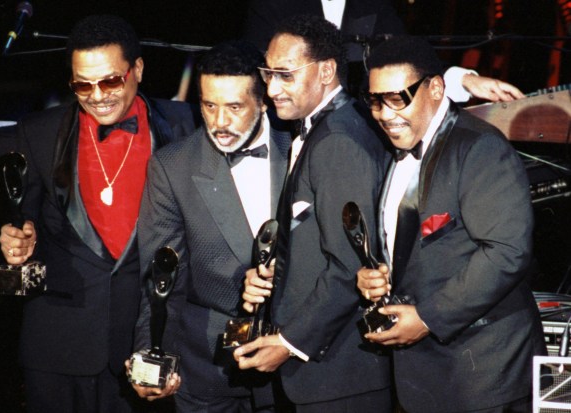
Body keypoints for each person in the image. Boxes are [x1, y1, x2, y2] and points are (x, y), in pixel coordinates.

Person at [0, 14, 198, 413]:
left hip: (145, 346)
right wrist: (13, 245)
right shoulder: (37, 132)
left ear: (137, 70)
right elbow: (14, 224)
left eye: (110, 81)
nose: (97, 95)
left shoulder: (187, 125)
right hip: (57, 346)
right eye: (82, 84)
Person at [357, 36, 547, 412]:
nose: (384, 113)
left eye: (398, 98)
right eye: (376, 100)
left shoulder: (480, 147)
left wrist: (428, 317)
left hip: (484, 377)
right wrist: (376, 274)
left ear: (436, 89)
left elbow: (507, 252)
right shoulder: (395, 151)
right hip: (425, 377)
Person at [234, 15, 391, 412]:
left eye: (285, 75)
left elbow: (348, 267)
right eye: (267, 74)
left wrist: (287, 344)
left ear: (326, 71)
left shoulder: (339, 140)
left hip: (338, 379)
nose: (270, 90)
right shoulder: (321, 129)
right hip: (322, 376)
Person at [133, 40, 291, 412]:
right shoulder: (172, 168)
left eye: (234, 107)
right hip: (206, 374)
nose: (219, 122)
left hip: (295, 369)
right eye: (209, 106)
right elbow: (159, 281)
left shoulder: (304, 147)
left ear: (264, 98)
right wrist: (150, 359)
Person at [243, 0, 525, 103]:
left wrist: (464, 80)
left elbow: (405, 53)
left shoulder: (373, 4)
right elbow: (255, 73)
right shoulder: (272, 5)